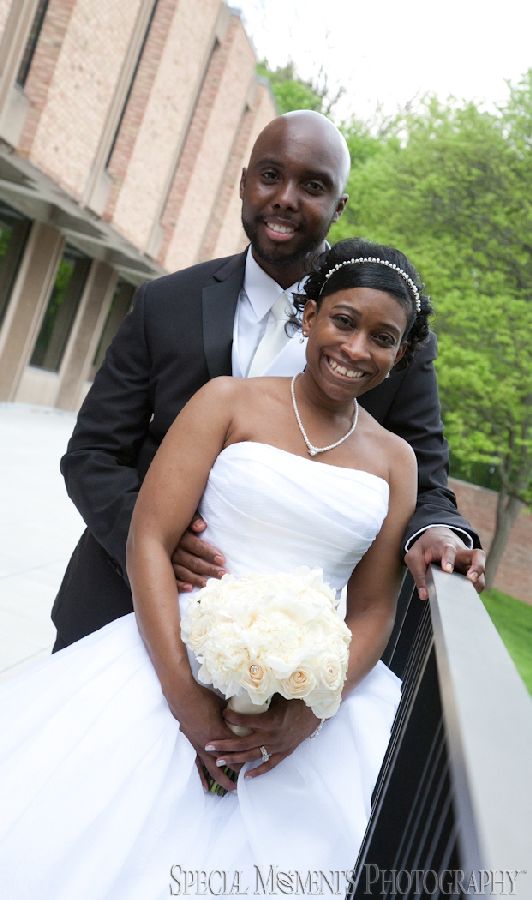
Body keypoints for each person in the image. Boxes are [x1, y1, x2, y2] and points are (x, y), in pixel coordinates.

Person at [3, 238, 430, 899]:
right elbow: (149, 536)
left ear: (400, 354)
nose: (356, 349)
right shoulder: (227, 401)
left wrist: (308, 716)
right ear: (310, 315)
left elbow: (373, 608)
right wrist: (186, 703)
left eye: (383, 338)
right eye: (344, 321)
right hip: (164, 664)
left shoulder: (396, 462)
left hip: (300, 707)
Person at [52, 110, 484, 652]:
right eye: (270, 175)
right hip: (116, 607)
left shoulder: (384, 340)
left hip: (282, 648)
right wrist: (152, 541)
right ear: (244, 182)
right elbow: (92, 451)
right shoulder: (166, 303)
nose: (285, 198)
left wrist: (438, 533)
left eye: (313, 185)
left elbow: (425, 478)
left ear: (339, 206)